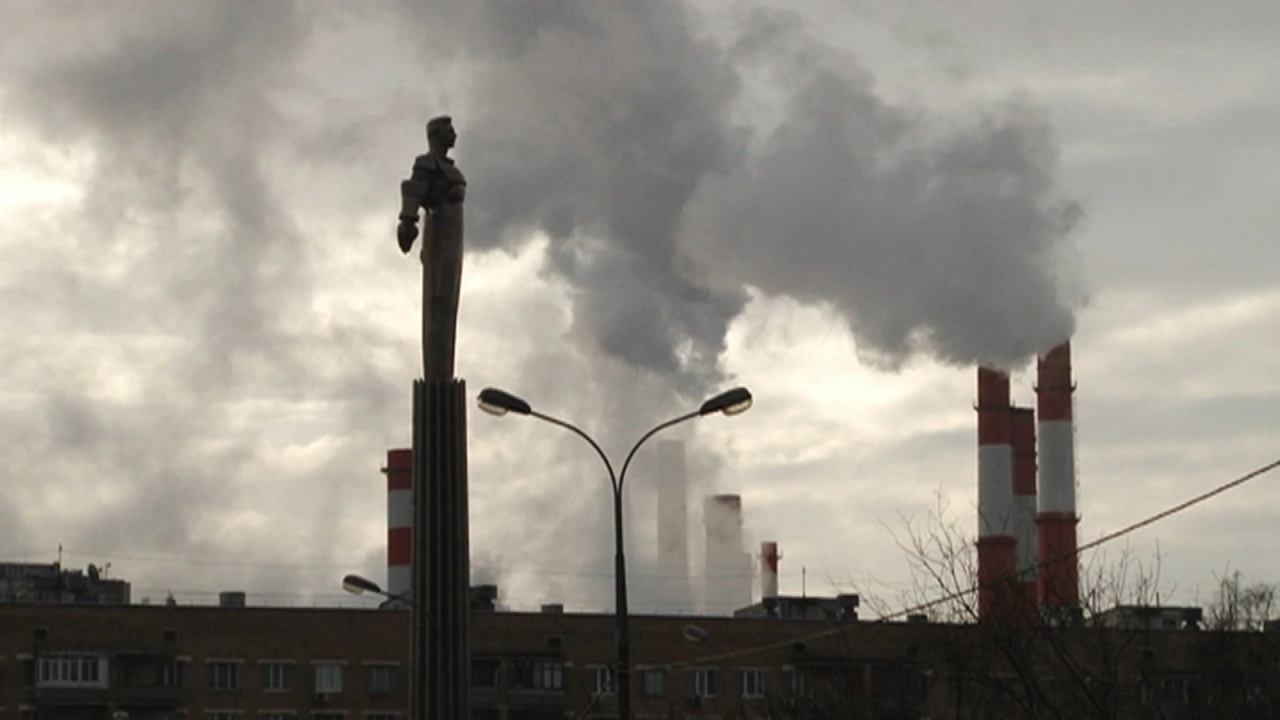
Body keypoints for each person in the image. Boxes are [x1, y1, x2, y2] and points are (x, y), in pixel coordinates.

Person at [397, 116, 467, 380]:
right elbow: (413, 190)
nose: (455, 134)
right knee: (438, 301)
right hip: (439, 238)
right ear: (437, 135)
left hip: (454, 239)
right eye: (449, 130)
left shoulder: (448, 167)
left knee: (449, 304)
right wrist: (408, 221)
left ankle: (444, 372)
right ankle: (437, 377)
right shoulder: (427, 163)